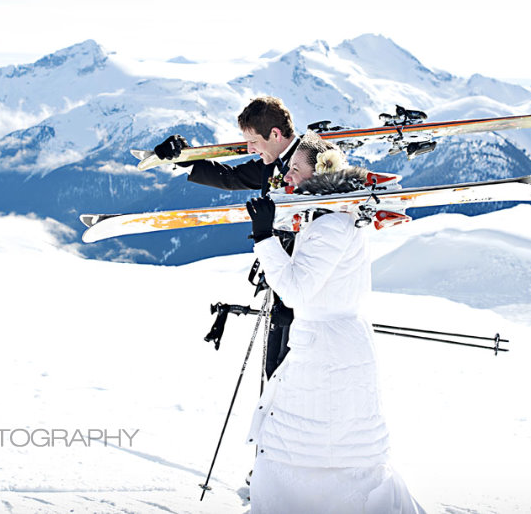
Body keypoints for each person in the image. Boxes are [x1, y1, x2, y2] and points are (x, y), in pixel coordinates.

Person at [244, 133, 425, 513]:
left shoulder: (331, 225)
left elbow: (296, 291)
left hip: (326, 351)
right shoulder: (336, 218)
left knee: (310, 450)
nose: (288, 175)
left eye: (296, 168)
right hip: (331, 344)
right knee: (325, 446)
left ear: (319, 173)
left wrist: (264, 239)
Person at [155, 96, 300, 377]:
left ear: (275, 134)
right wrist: (186, 158)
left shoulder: (311, 161)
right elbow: (232, 177)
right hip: (281, 281)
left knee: (295, 378)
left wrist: (300, 305)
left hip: (306, 295)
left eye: (254, 142)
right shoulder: (272, 161)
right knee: (275, 376)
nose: (249, 149)